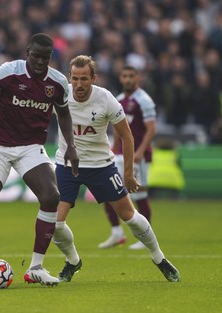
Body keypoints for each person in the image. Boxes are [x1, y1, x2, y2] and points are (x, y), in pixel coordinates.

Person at [0, 33, 79, 287]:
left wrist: (71, 146)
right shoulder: (9, 71)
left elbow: (63, 114)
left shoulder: (58, 82)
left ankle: (36, 268)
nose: (40, 62)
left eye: (46, 57)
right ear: (27, 51)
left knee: (52, 196)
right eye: (36, 56)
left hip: (31, 146)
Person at [52, 56, 180, 283]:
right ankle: (73, 261)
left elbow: (127, 136)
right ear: (69, 78)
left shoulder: (106, 99)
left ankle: (159, 259)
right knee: (55, 224)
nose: (79, 84)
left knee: (129, 216)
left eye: (84, 79)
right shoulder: (60, 95)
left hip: (101, 166)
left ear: (94, 78)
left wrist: (128, 174)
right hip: (67, 164)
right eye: (75, 79)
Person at [98, 65, 157, 250]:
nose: (128, 79)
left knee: (139, 195)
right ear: (121, 78)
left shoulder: (144, 100)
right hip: (120, 154)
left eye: (131, 76)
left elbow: (151, 129)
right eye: (125, 76)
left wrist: (140, 151)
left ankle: (145, 237)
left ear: (137, 78)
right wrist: (114, 149)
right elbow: (118, 127)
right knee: (109, 192)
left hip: (138, 156)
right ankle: (117, 233)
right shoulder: (120, 100)